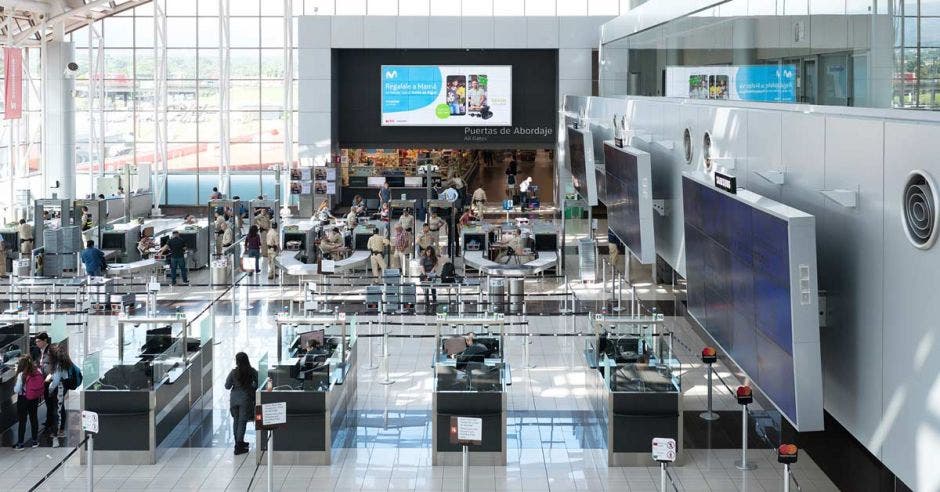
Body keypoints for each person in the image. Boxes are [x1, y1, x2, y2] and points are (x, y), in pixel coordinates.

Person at [225, 352, 258, 456]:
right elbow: (258, 383)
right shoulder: (251, 371)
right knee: (242, 422)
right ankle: (239, 446)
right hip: (245, 399)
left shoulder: (233, 372)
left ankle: (238, 443)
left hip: (234, 399)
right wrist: (252, 387)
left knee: (236, 420)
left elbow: (227, 386)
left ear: (237, 361)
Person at [13, 355, 43, 450]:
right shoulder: (38, 371)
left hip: (23, 399)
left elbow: (17, 390)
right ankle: (35, 441)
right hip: (34, 398)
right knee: (34, 418)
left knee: (22, 421)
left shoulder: (21, 374)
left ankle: (20, 444)